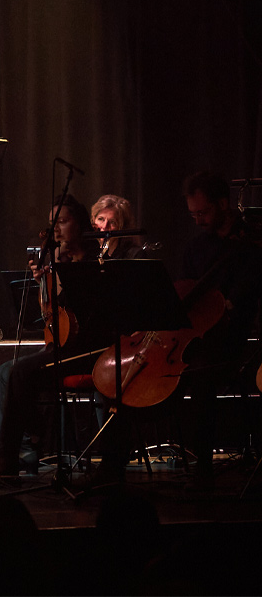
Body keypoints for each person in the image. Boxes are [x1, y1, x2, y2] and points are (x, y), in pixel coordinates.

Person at [97, 171, 262, 488]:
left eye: (204, 213)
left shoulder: (250, 247)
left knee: (198, 373)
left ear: (224, 204)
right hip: (184, 339)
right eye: (193, 214)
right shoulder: (195, 247)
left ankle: (202, 467)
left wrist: (224, 306)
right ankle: (111, 466)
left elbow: (243, 299)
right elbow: (182, 295)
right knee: (124, 376)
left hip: (226, 341)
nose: (198, 221)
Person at [0, 193, 100, 479]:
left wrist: (59, 272)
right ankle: (24, 445)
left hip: (89, 349)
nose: (55, 230)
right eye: (52, 224)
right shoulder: (57, 260)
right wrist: (45, 283)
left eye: (62, 221)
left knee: (22, 372)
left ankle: (11, 454)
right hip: (61, 347)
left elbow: (83, 311)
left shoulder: (94, 261)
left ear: (80, 224)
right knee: (8, 371)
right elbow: (51, 315)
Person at [91, 194, 142, 260]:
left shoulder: (134, 255)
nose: (105, 226)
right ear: (93, 220)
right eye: (100, 219)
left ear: (122, 226)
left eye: (112, 222)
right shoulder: (87, 253)